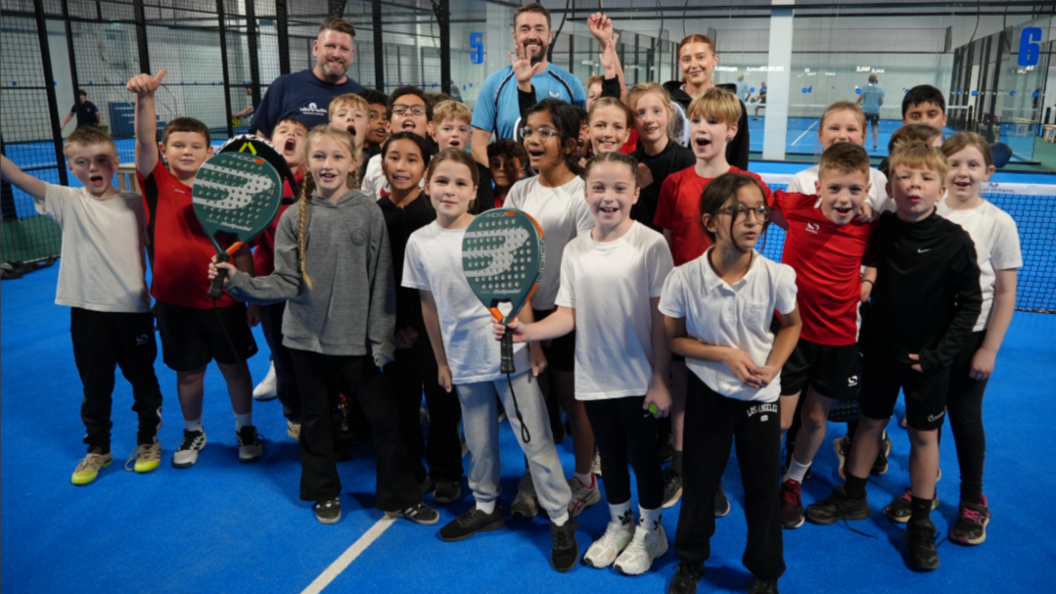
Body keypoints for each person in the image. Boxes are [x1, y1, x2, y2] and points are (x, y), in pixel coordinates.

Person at [210, 125, 439, 527]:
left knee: (384, 420)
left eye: (337, 157)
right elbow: (284, 282)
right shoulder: (291, 220)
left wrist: (380, 339)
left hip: (356, 343)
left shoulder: (368, 211)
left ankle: (400, 495)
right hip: (305, 340)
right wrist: (238, 281)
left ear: (353, 162)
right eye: (319, 157)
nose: (328, 165)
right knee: (316, 421)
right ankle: (324, 492)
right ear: (306, 163)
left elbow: (381, 280)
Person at [805, 141, 982, 572]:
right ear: (890, 186)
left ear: (940, 189)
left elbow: (970, 304)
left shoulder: (955, 242)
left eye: (925, 179)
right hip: (879, 353)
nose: (914, 186)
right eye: (904, 177)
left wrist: (939, 355)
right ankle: (853, 496)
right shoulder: (879, 227)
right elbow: (856, 248)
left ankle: (920, 521)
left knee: (924, 437)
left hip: (928, 362)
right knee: (869, 424)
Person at [402, 148, 578, 570]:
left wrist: (534, 345)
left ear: (474, 192)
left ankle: (558, 515)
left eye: (461, 183)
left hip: (507, 354)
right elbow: (430, 305)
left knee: (534, 438)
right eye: (442, 181)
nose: (450, 190)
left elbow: (520, 293)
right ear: (427, 186)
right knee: (479, 441)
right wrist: (442, 361)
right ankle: (486, 506)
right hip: (462, 357)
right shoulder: (419, 241)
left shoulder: (493, 232)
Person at [500, 151, 674, 575]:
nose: (608, 197)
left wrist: (659, 380)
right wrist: (528, 332)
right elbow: (567, 314)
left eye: (619, 188)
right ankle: (619, 523)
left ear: (635, 192)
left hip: (640, 381)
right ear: (586, 192)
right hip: (593, 376)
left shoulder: (652, 244)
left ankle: (652, 530)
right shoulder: (576, 248)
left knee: (642, 457)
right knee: (610, 456)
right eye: (598, 188)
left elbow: (663, 321)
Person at [662, 173, 801, 594]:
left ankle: (765, 571)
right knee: (700, 482)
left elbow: (791, 326)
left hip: (760, 395)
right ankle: (690, 563)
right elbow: (675, 338)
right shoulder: (683, 278)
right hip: (708, 390)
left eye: (759, 210)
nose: (752, 220)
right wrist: (723, 354)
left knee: (762, 485)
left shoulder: (777, 274)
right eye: (738, 211)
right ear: (710, 221)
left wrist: (773, 367)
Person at [1, 128, 163, 484]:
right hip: (86, 311)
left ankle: (148, 439)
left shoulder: (136, 205)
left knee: (143, 379)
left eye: (102, 159)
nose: (93, 167)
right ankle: (98, 449)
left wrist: (159, 298)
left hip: (132, 311)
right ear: (70, 166)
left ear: (116, 161)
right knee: (94, 384)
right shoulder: (66, 200)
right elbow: (14, 174)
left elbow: (155, 253)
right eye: (82, 161)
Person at [885, 132, 1019, 545]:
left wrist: (989, 349)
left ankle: (972, 500)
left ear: (988, 172)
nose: (964, 172)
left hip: (970, 338)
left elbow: (1007, 291)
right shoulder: (923, 208)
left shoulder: (998, 223)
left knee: (964, 417)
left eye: (973, 165)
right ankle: (923, 489)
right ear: (943, 173)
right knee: (927, 420)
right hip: (925, 339)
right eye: (955, 163)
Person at [127, 69, 262, 468]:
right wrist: (145, 98)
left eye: (195, 146)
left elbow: (240, 247)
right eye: (177, 145)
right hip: (175, 305)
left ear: (210, 152)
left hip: (224, 302)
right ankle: (193, 431)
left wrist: (251, 294)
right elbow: (143, 139)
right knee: (188, 376)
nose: (186, 151)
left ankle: (245, 427)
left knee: (235, 369)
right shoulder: (157, 184)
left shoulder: (226, 194)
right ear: (165, 150)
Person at [654, 87, 773, 510]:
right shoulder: (673, 183)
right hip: (686, 304)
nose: (702, 129)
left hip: (730, 308)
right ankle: (685, 469)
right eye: (697, 121)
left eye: (712, 122)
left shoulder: (751, 184)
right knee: (684, 386)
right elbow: (668, 245)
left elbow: (760, 239)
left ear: (731, 130)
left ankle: (714, 473)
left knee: (721, 390)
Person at [771, 142, 877, 529]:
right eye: (834, 188)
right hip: (792, 334)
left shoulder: (872, 227)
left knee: (816, 418)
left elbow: (880, 260)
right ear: (818, 187)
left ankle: (793, 481)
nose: (844, 198)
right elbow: (758, 197)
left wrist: (868, 278)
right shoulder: (796, 208)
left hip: (840, 341)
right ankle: (767, 477)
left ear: (867, 190)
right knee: (780, 421)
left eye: (854, 190)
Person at [505, 99, 600, 520]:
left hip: (569, 316)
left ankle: (584, 479)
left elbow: (582, 265)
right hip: (526, 314)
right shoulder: (519, 191)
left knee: (573, 401)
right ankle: (538, 476)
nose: (533, 139)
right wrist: (529, 325)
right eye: (529, 130)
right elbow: (510, 259)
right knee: (533, 405)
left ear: (569, 142)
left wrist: (549, 330)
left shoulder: (582, 195)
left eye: (545, 132)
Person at [377, 131, 465, 503]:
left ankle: (446, 472)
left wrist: (419, 323)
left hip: (437, 326)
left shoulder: (434, 215)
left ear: (425, 169)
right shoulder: (373, 214)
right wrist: (393, 326)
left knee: (443, 399)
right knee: (402, 404)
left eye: (412, 159)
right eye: (394, 158)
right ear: (382, 164)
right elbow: (376, 277)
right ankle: (412, 469)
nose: (401, 166)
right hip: (393, 328)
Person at [249, 117, 310, 441]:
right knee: (282, 354)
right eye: (283, 132)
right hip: (273, 288)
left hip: (314, 291)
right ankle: (296, 415)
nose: (290, 136)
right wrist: (254, 298)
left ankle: (331, 412)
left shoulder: (319, 180)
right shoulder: (261, 183)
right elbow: (247, 242)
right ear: (271, 142)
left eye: (299, 133)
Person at [470, 2, 586, 167]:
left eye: (539, 29)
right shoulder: (494, 84)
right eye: (525, 29)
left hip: (557, 188)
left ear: (550, 36)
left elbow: (583, 141)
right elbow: (478, 147)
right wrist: (504, 177)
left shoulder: (571, 84)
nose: (532, 35)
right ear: (515, 36)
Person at [250, 17, 363, 137]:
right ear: (315, 48)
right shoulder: (284, 86)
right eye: (330, 46)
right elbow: (262, 138)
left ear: (352, 55)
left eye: (344, 49)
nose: (336, 54)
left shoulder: (361, 96)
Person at [785, 101, 890, 219]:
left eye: (851, 129)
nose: (842, 136)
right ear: (820, 135)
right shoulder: (800, 181)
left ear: (863, 136)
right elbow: (792, 230)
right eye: (834, 128)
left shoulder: (878, 179)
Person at [663, 35, 750, 170]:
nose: (693, 65)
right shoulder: (664, 104)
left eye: (700, 57)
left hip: (718, 188)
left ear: (715, 59)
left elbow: (739, 155)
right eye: (686, 59)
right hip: (673, 187)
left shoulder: (734, 107)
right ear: (680, 63)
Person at [628, 82, 695, 233]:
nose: (649, 119)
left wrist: (651, 188)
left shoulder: (686, 161)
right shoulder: (629, 162)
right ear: (632, 121)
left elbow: (685, 215)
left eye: (656, 111)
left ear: (669, 113)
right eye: (640, 113)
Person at [361, 86, 433, 200]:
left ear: (430, 126)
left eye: (417, 110)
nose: (408, 113)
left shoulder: (438, 165)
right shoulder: (375, 163)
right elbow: (367, 208)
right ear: (388, 126)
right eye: (400, 110)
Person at [431, 100, 493, 212]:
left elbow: (486, 214)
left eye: (462, 129)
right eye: (447, 128)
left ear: (470, 136)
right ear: (434, 134)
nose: (455, 134)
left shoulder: (480, 173)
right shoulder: (426, 168)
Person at [485, 139, 527, 211]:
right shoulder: (484, 201)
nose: (502, 169)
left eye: (509, 164)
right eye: (496, 164)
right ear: (489, 171)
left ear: (521, 172)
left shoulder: (527, 199)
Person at [357, 88, 391, 162]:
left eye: (385, 118)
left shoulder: (388, 158)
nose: (381, 121)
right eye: (373, 116)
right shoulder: (346, 155)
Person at [856, 73, 884, 151]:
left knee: (864, 128)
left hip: (865, 111)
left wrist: (855, 104)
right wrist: (877, 104)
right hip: (875, 111)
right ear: (876, 80)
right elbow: (881, 101)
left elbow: (861, 97)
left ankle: (863, 145)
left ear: (869, 79)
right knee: (874, 127)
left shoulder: (865, 87)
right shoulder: (880, 89)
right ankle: (875, 145)